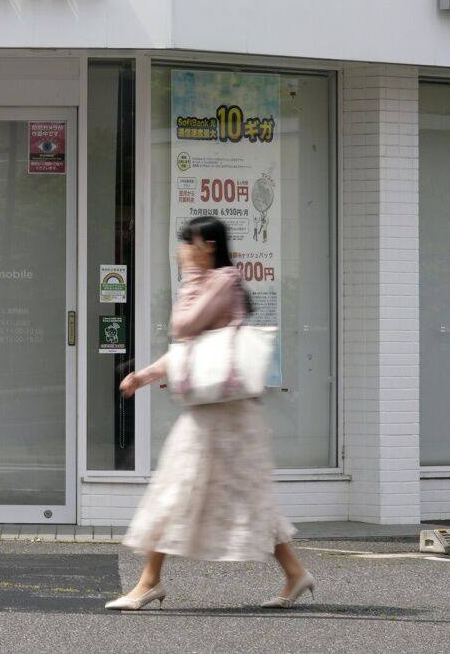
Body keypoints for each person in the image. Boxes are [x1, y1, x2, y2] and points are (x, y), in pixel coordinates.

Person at [105, 216, 314, 611]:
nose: (182, 250)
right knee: (219, 492)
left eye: (189, 243)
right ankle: (293, 573)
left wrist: (190, 277)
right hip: (214, 414)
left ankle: (149, 582)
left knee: (185, 489)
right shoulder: (208, 284)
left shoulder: (222, 282)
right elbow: (189, 347)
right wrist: (144, 376)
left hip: (225, 416)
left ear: (208, 246)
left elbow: (185, 326)